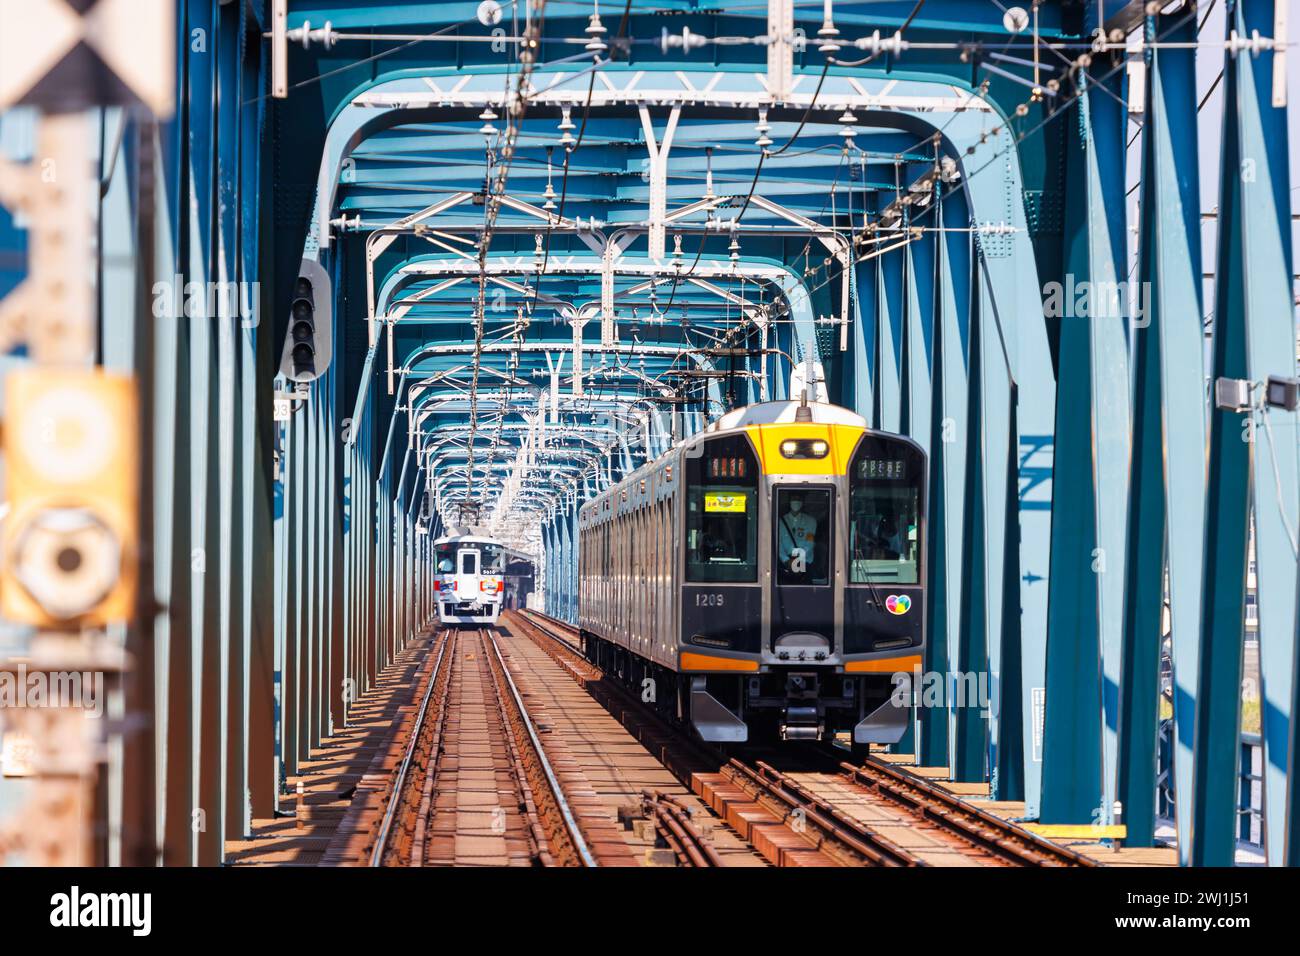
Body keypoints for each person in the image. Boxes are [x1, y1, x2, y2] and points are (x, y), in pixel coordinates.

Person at [777, 495, 818, 573]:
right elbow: (778, 543)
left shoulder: (811, 521)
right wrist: (786, 560)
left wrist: (799, 559)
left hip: (805, 562)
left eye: (798, 499)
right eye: (794, 498)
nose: (796, 501)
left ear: (802, 502)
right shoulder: (780, 521)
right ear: (789, 501)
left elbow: (810, 541)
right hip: (785, 563)